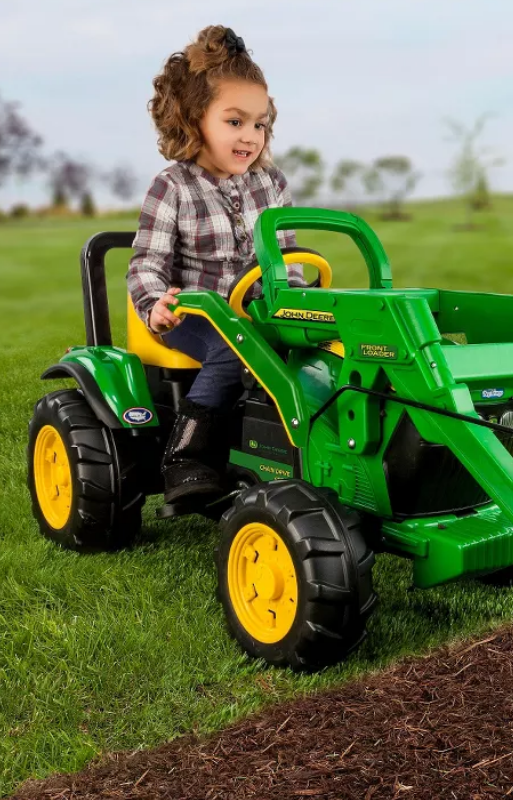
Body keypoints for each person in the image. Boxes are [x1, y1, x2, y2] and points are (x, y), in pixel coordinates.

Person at [127, 24, 303, 506]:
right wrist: (154, 303)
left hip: (258, 310)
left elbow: (287, 257)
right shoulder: (174, 187)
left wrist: (299, 305)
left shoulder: (271, 184)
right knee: (232, 348)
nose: (250, 136)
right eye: (234, 122)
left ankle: (298, 451)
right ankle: (185, 458)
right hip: (194, 315)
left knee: (316, 346)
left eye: (259, 123)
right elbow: (146, 263)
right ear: (193, 118)